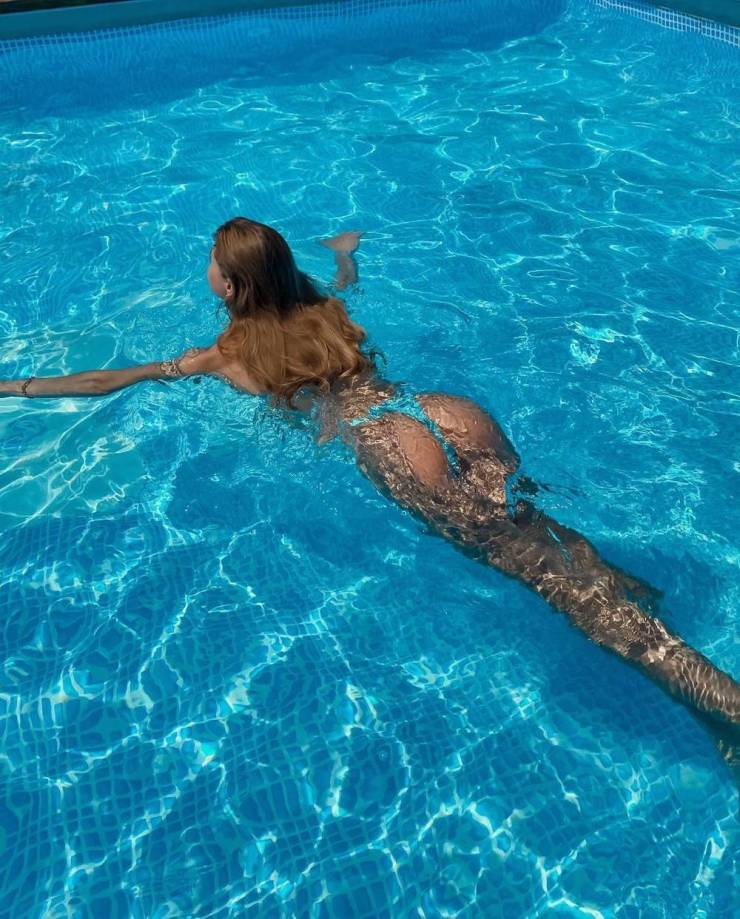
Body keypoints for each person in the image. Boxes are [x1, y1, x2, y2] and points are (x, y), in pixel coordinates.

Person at [2, 216, 738, 758]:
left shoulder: (222, 352)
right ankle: (638, 613)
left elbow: (111, 380)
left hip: (393, 443)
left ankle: (716, 700)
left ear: (233, 285)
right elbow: (345, 284)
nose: (208, 271)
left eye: (213, 264)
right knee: (531, 527)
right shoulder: (321, 304)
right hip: (443, 410)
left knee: (545, 578)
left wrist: (18, 386)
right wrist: (345, 254)